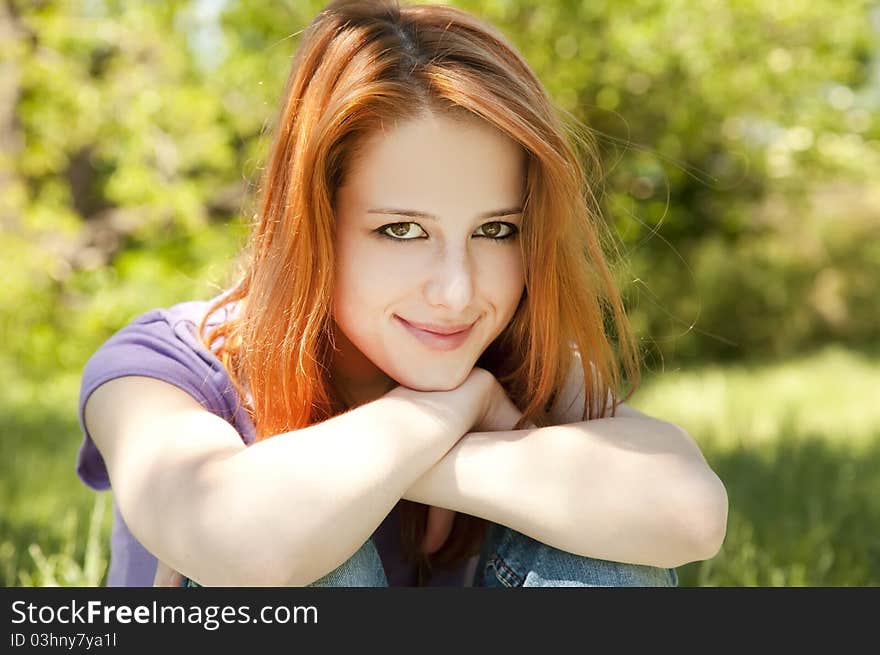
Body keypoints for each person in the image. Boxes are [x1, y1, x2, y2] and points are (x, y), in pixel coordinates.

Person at [77, 0, 728, 588]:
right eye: (402, 229)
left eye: (497, 230)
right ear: (315, 226)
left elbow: (690, 512)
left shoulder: (514, 363)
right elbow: (244, 540)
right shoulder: (160, 369)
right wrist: (447, 409)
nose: (457, 291)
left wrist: (425, 462)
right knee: (308, 534)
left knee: (604, 542)